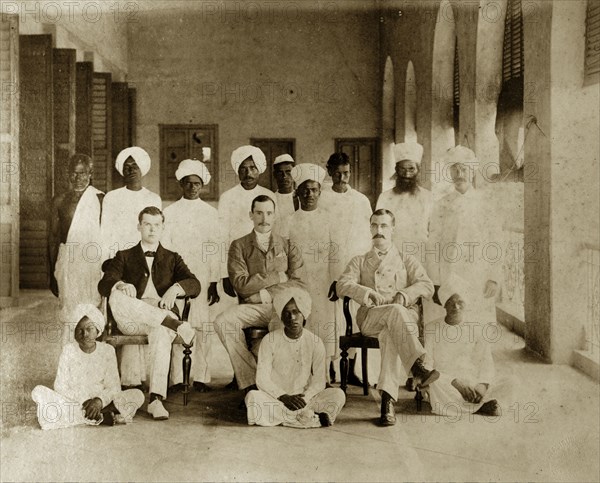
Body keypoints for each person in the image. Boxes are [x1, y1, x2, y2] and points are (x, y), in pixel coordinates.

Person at [337, 209, 438, 426]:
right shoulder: (360, 261)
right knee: (394, 313)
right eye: (374, 226)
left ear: (393, 229)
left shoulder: (406, 259)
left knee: (392, 331)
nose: (378, 231)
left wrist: (404, 294)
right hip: (371, 319)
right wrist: (366, 293)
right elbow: (342, 284)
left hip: (400, 322)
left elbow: (427, 285)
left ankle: (387, 402)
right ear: (370, 228)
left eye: (384, 226)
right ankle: (417, 366)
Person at [98, 206, 200, 420]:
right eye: (147, 224)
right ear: (139, 227)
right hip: (133, 318)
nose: (152, 230)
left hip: (159, 317)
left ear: (162, 228)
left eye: (156, 225)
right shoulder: (124, 255)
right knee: (116, 296)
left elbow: (194, 284)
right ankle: (173, 324)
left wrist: (175, 289)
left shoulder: (172, 257)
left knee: (161, 332)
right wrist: (120, 284)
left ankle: (156, 400)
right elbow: (104, 283)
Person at [214, 195, 305, 399]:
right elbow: (240, 284)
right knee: (223, 321)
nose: (264, 218)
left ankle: (282, 387)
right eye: (259, 213)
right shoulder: (239, 245)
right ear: (251, 215)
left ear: (275, 216)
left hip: (282, 307)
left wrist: (264, 293)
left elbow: (298, 282)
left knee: (279, 328)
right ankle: (249, 382)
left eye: (269, 213)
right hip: (252, 308)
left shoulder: (288, 245)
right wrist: (277, 276)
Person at [100, 146, 162, 387]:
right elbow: (106, 233)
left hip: (144, 261)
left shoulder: (152, 198)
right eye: (127, 165)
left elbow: (155, 232)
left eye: (135, 165)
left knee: (144, 307)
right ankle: (127, 378)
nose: (131, 169)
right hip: (119, 262)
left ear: (143, 168)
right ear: (121, 170)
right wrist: (110, 266)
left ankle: (146, 377)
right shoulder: (113, 197)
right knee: (124, 309)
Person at [31, 304, 145, 430]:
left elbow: (113, 387)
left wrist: (99, 401)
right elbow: (60, 386)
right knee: (38, 391)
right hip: (77, 401)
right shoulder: (68, 350)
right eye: (79, 330)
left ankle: (90, 415)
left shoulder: (107, 350)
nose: (84, 334)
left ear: (98, 330)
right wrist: (85, 400)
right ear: (74, 333)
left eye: (89, 329)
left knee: (137, 395)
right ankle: (99, 416)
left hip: (102, 401)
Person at [246, 287, 346, 428]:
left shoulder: (315, 342)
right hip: (277, 399)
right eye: (286, 313)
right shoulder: (269, 340)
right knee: (252, 398)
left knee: (338, 394)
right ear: (281, 316)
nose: (292, 318)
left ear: (304, 313)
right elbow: (262, 379)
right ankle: (309, 419)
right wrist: (283, 396)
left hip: (304, 400)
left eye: (296, 312)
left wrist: (304, 399)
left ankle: (289, 419)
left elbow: (319, 382)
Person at [162, 159, 221, 393]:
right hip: (179, 276)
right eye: (188, 183)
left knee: (202, 327)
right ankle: (177, 379)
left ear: (202, 185)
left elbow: (215, 248)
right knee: (179, 324)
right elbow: (166, 249)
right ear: (181, 184)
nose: (193, 187)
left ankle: (200, 377)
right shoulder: (170, 212)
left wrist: (214, 281)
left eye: (197, 183)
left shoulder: (211, 213)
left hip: (203, 276)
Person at [426, 146, 502, 325]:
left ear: (472, 171)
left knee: (478, 323)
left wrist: (494, 277)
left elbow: (496, 242)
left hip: (478, 274)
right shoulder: (441, 204)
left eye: (464, 169)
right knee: (453, 323)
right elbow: (433, 243)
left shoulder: (486, 203)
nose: (459, 173)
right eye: (455, 168)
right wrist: (436, 281)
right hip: (449, 273)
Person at [423, 274, 515, 418]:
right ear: (444, 304)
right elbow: (428, 366)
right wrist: (455, 383)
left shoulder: (477, 327)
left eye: (460, 302)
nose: (456, 307)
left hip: (473, 381)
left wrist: (482, 385)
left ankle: (477, 401)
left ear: (466, 303)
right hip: (448, 383)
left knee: (511, 381)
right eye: (451, 302)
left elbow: (486, 362)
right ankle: (481, 406)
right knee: (436, 383)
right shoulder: (431, 328)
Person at [320, 152, 373, 384]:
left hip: (354, 268)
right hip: (328, 268)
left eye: (346, 173)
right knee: (329, 318)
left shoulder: (361, 200)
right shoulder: (321, 198)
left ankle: (350, 370)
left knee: (353, 317)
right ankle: (330, 366)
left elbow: (368, 236)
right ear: (329, 172)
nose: (342, 178)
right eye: (338, 174)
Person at [286, 163, 340, 377]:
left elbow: (336, 254)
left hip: (323, 284)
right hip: (297, 283)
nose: (309, 194)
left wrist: (335, 281)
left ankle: (323, 376)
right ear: (297, 191)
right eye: (305, 189)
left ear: (320, 191)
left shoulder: (329, 219)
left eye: (314, 189)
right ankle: (297, 377)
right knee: (299, 326)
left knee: (322, 328)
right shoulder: (287, 221)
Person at [49, 154, 104, 343]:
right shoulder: (60, 200)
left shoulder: (100, 199)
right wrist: (51, 273)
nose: (78, 178)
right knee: (70, 312)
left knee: (92, 311)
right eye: (74, 173)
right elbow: (53, 238)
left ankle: (91, 362)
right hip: (68, 264)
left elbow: (106, 238)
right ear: (68, 174)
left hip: (92, 265)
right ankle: (69, 363)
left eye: (83, 173)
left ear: (90, 174)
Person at [218, 145, 276, 297]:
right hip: (237, 261)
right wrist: (225, 274)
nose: (248, 173)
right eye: (243, 168)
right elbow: (222, 236)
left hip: (263, 261)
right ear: (237, 170)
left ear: (259, 169)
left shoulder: (269, 195)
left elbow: (275, 232)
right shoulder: (227, 197)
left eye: (252, 168)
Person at [375, 142, 433, 254]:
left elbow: (434, 230)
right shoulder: (385, 197)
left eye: (411, 169)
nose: (407, 174)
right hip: (392, 253)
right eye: (402, 169)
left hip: (421, 253)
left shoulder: (428, 197)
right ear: (396, 170)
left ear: (418, 170)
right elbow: (379, 229)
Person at [272, 153, 299, 222]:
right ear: (275, 175)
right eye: (280, 173)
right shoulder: (271, 199)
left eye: (288, 172)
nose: (284, 176)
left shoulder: (300, 198)